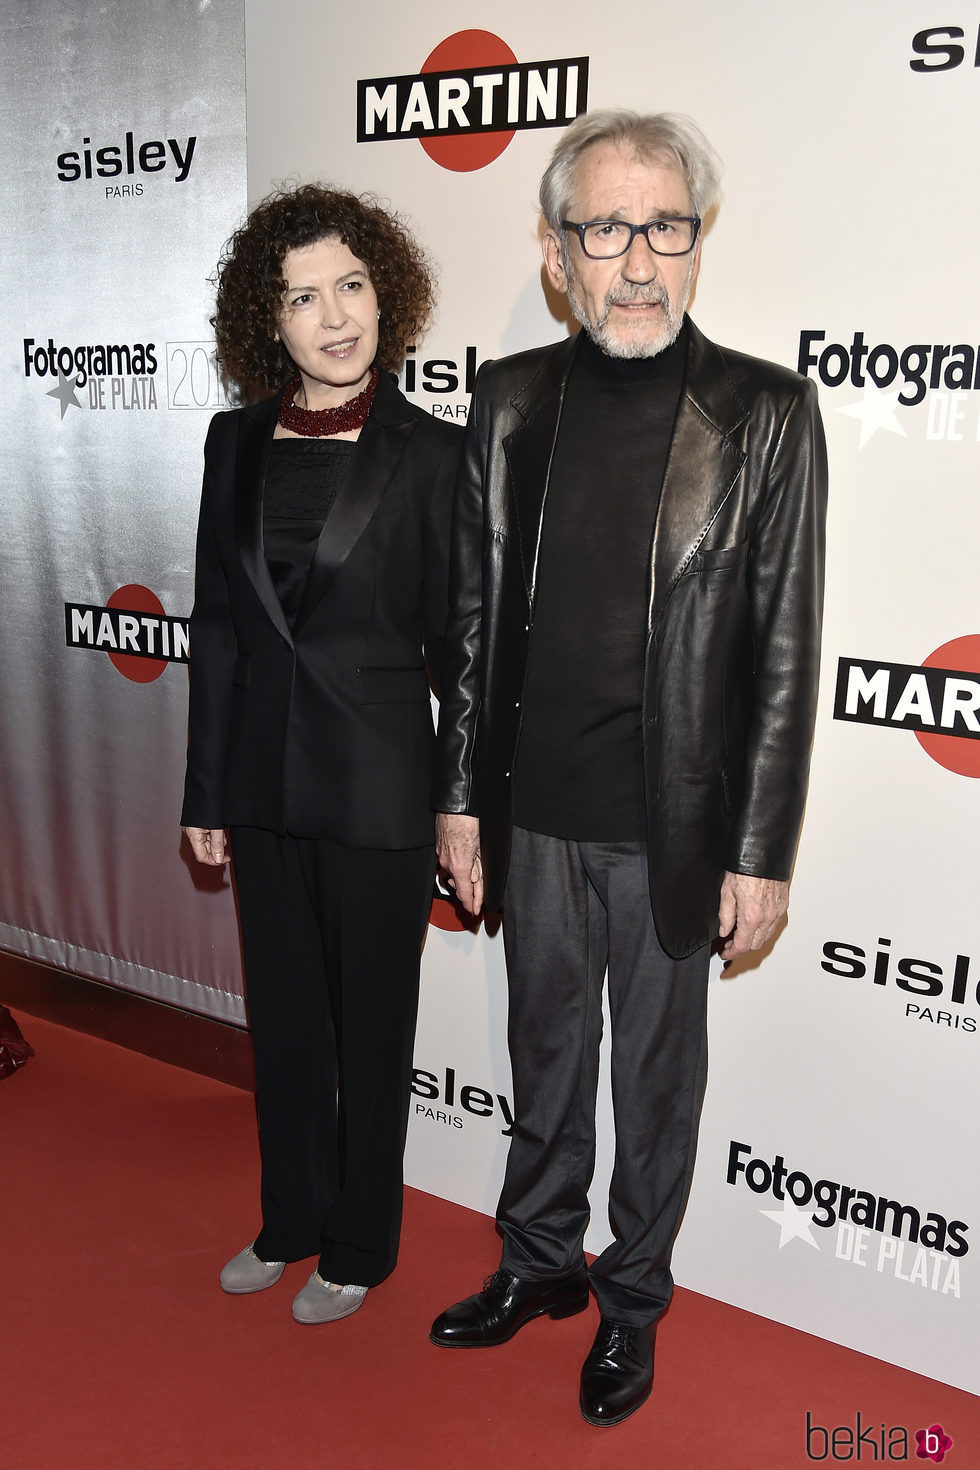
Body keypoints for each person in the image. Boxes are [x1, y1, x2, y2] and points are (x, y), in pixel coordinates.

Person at [430, 111, 827, 1425]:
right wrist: (460, 797)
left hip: (678, 825)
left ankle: (632, 1299)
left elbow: (783, 646)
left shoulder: (765, 412)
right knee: (543, 1058)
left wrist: (763, 847)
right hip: (533, 815)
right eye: (608, 228)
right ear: (558, 254)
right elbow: (476, 620)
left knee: (653, 1087)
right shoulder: (508, 400)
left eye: (667, 226)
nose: (640, 259)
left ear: (698, 244)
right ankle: (538, 1260)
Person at [181, 184, 461, 1324]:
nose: (334, 316)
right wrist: (206, 788)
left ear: (383, 295)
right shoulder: (232, 440)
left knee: (370, 1024)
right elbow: (216, 622)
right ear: (271, 320)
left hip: (380, 785)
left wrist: (462, 804)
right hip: (258, 783)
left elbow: (463, 647)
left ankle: (360, 1240)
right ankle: (287, 1217)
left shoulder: (435, 452)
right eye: (303, 296)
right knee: (285, 1016)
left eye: (350, 285)